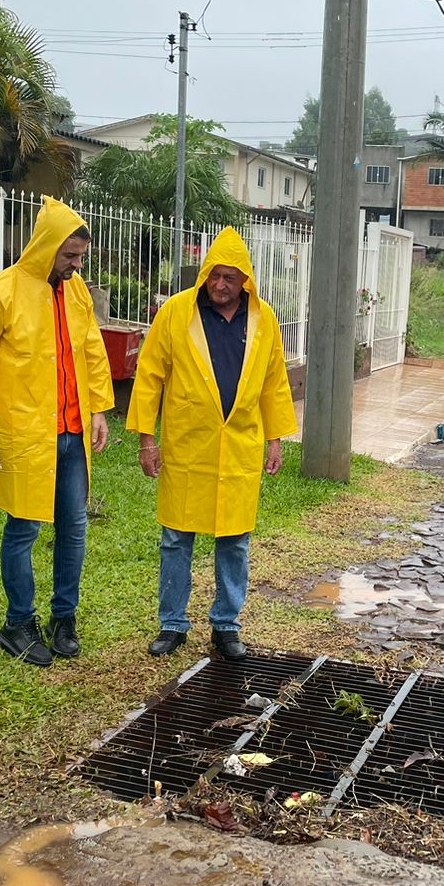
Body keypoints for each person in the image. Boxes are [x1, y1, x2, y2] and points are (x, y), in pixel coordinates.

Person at [0, 197, 113, 667]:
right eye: (69, 257)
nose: (75, 265)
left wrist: (99, 408)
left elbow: (91, 348)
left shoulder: (76, 290)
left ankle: (64, 618)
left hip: (71, 431)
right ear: (45, 248)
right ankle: (18, 623)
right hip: (22, 433)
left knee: (74, 527)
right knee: (23, 527)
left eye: (80, 257)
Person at [128, 227, 297, 661]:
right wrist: (148, 440)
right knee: (176, 538)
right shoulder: (177, 313)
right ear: (205, 274)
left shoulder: (264, 320)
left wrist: (275, 439)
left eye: (230, 278)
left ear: (246, 281)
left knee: (235, 540)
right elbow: (149, 377)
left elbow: (274, 383)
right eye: (214, 276)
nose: (220, 285)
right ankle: (172, 624)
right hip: (187, 445)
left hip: (239, 445)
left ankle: (226, 624)